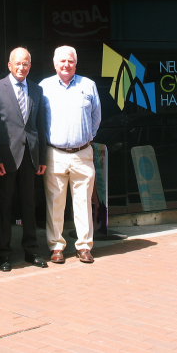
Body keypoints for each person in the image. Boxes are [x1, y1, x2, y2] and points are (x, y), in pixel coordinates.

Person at [0, 47, 49, 272]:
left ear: (30, 66)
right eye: (17, 63)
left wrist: (42, 157)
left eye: (26, 64)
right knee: (4, 207)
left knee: (29, 206)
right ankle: (3, 254)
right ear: (9, 65)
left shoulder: (37, 90)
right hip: (5, 158)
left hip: (30, 158)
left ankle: (32, 251)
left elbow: (39, 126)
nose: (21, 67)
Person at [39, 45, 101, 264]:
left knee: (83, 202)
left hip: (82, 154)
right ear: (54, 63)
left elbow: (96, 118)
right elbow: (39, 120)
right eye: (62, 61)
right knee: (55, 203)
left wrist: (84, 138)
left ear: (76, 63)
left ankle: (84, 246)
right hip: (54, 153)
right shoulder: (44, 87)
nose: (66, 65)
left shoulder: (88, 85)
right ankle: (56, 246)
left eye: (70, 61)